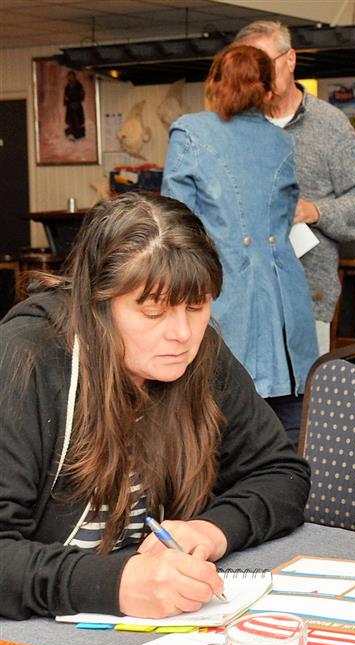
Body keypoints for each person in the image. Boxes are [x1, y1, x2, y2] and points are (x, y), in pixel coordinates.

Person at [0, 193, 311, 621]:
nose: (182, 333)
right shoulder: (28, 357)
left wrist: (213, 529)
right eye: (152, 313)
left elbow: (282, 474)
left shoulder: (198, 355)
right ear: (98, 306)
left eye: (197, 306)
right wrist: (116, 583)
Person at [161, 43, 316, 445]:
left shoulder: (190, 132)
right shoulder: (280, 142)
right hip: (285, 303)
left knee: (219, 423)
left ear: (214, 83)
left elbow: (175, 225)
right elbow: (283, 218)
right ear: (268, 91)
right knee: (289, 427)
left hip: (225, 295)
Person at [234, 20, 355, 356]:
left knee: (304, 400)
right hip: (242, 292)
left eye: (265, 64)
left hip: (307, 290)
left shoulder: (330, 124)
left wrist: (314, 210)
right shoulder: (235, 126)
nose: (260, 76)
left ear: (290, 60)